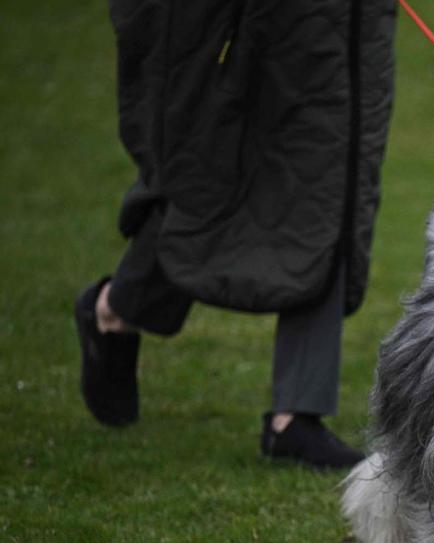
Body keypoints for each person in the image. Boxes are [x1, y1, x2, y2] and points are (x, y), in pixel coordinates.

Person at [75, 0, 397, 470]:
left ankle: (295, 416)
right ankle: (117, 307)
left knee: (333, 192)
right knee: (208, 184)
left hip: (351, 25)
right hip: (261, 28)